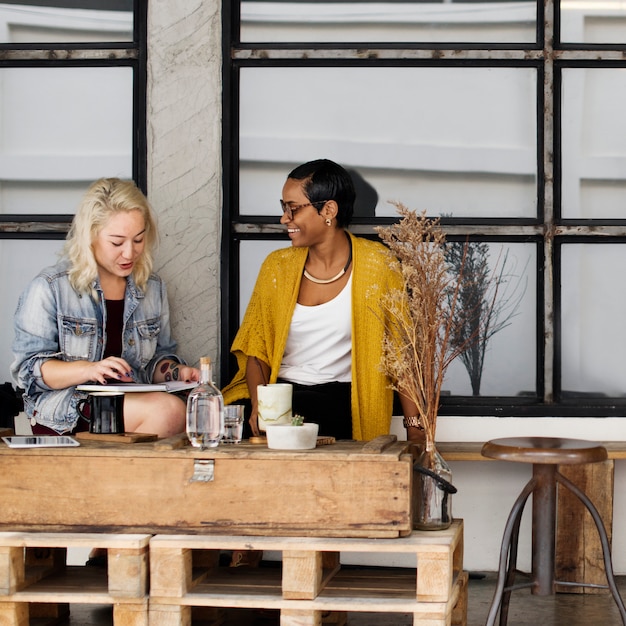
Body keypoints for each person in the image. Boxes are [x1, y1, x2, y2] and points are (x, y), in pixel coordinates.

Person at [222, 159, 423, 444]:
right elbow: (257, 350)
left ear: (328, 210)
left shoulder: (379, 265)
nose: (284, 218)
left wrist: (415, 429)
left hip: (339, 396)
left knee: (306, 415)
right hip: (279, 392)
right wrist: (260, 406)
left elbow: (401, 353)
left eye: (293, 208)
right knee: (227, 421)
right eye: (283, 207)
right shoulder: (276, 267)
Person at [11, 177, 199, 438]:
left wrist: (177, 372)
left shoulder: (152, 288)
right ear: (90, 236)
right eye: (117, 242)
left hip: (133, 404)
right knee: (167, 413)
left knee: (198, 407)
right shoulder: (50, 287)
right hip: (67, 410)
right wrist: (89, 369)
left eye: (138, 240)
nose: (129, 253)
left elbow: (155, 361)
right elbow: (30, 372)